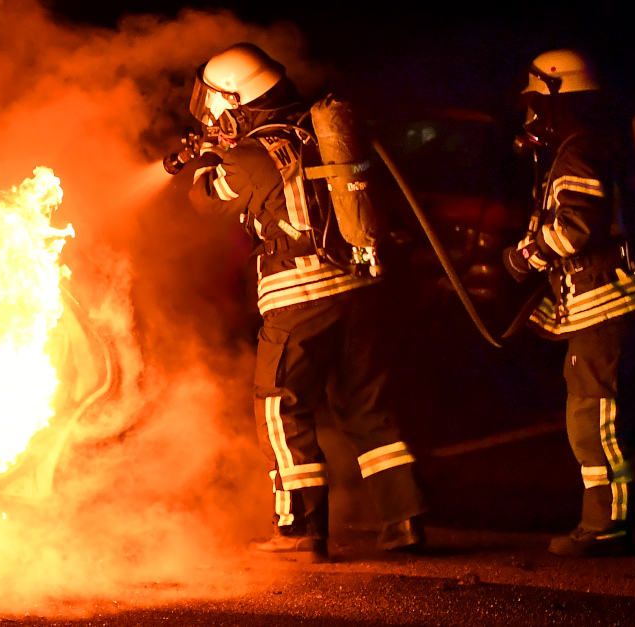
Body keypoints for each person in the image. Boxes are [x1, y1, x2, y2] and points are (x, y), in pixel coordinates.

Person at [182, 42, 427, 562]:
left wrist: (205, 159)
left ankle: (300, 531)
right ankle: (405, 519)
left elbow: (206, 203)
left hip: (299, 297)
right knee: (367, 406)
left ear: (236, 98)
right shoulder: (324, 133)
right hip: (360, 288)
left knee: (280, 405)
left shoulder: (249, 155)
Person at [502, 49, 635, 557]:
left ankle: (605, 526)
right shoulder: (596, 145)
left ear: (555, 98)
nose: (529, 118)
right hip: (614, 302)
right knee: (611, 419)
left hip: (604, 305)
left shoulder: (578, 152)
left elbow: (575, 228)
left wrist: (527, 255)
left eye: (534, 105)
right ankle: (625, 518)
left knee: (594, 419)